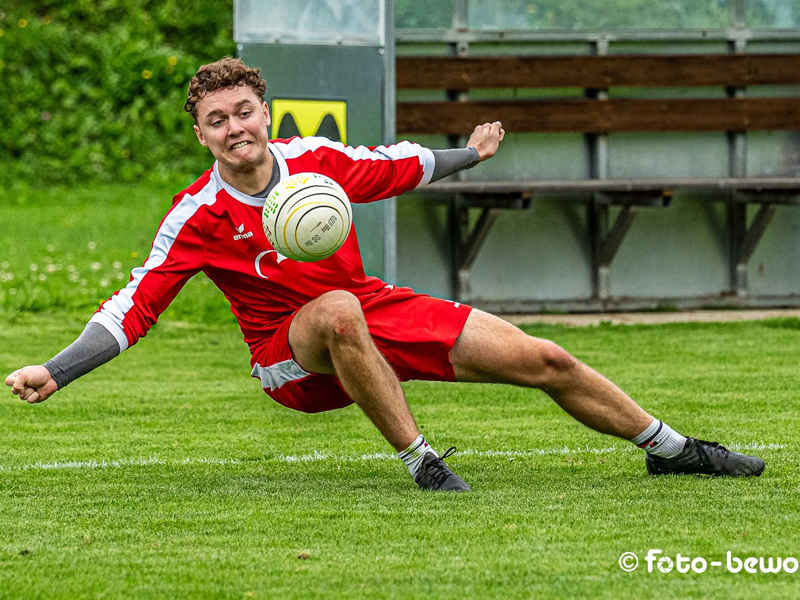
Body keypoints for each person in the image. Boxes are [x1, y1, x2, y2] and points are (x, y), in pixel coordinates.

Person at [5, 57, 765, 491]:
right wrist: (58, 369)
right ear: (199, 132)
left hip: (372, 311)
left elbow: (399, 164)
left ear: (264, 110)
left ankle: (673, 451)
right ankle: (423, 463)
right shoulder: (196, 216)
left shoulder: (317, 164)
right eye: (218, 120)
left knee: (545, 359)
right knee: (335, 307)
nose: (235, 127)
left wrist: (472, 153)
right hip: (287, 354)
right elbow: (131, 308)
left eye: (244, 110)